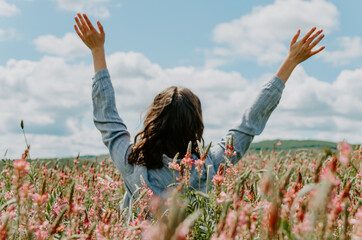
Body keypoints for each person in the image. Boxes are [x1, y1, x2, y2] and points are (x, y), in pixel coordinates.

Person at [74, 13, 325, 210]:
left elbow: (107, 119)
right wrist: (290, 62)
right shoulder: (210, 166)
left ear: (153, 121)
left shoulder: (133, 166)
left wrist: (97, 51)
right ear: (196, 126)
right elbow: (249, 123)